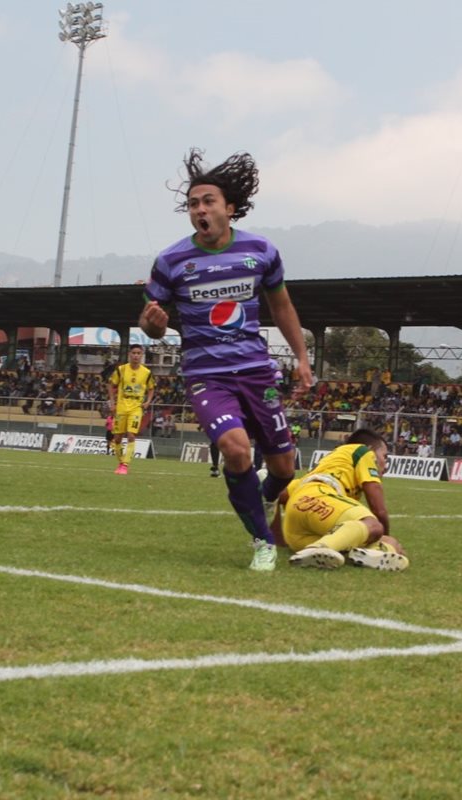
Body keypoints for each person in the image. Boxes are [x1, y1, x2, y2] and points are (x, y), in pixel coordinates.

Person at [139, 149, 313, 572]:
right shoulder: (170, 261)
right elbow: (152, 325)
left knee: (284, 468)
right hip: (206, 376)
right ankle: (262, 542)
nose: (200, 209)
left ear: (228, 208)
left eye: (208, 201)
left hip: (257, 371)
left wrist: (302, 358)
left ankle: (263, 495)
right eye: (193, 204)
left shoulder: (261, 252)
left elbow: (283, 307)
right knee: (236, 451)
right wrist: (154, 325)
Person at [277, 429, 408, 571]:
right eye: (385, 456)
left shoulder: (328, 467)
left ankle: (370, 553)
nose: (386, 464)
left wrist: (276, 539)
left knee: (388, 543)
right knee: (373, 525)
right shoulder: (362, 451)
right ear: (371, 450)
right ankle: (319, 548)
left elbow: (277, 495)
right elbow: (379, 509)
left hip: (295, 533)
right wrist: (382, 535)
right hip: (320, 496)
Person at [106, 343, 155, 474]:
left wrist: (148, 402)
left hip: (136, 407)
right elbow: (111, 385)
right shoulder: (121, 370)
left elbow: (151, 388)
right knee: (117, 438)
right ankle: (121, 461)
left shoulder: (146, 372)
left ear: (142, 356)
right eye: (134, 353)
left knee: (131, 435)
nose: (136, 356)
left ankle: (124, 465)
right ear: (129, 355)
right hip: (121, 406)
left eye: (138, 353)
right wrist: (112, 402)